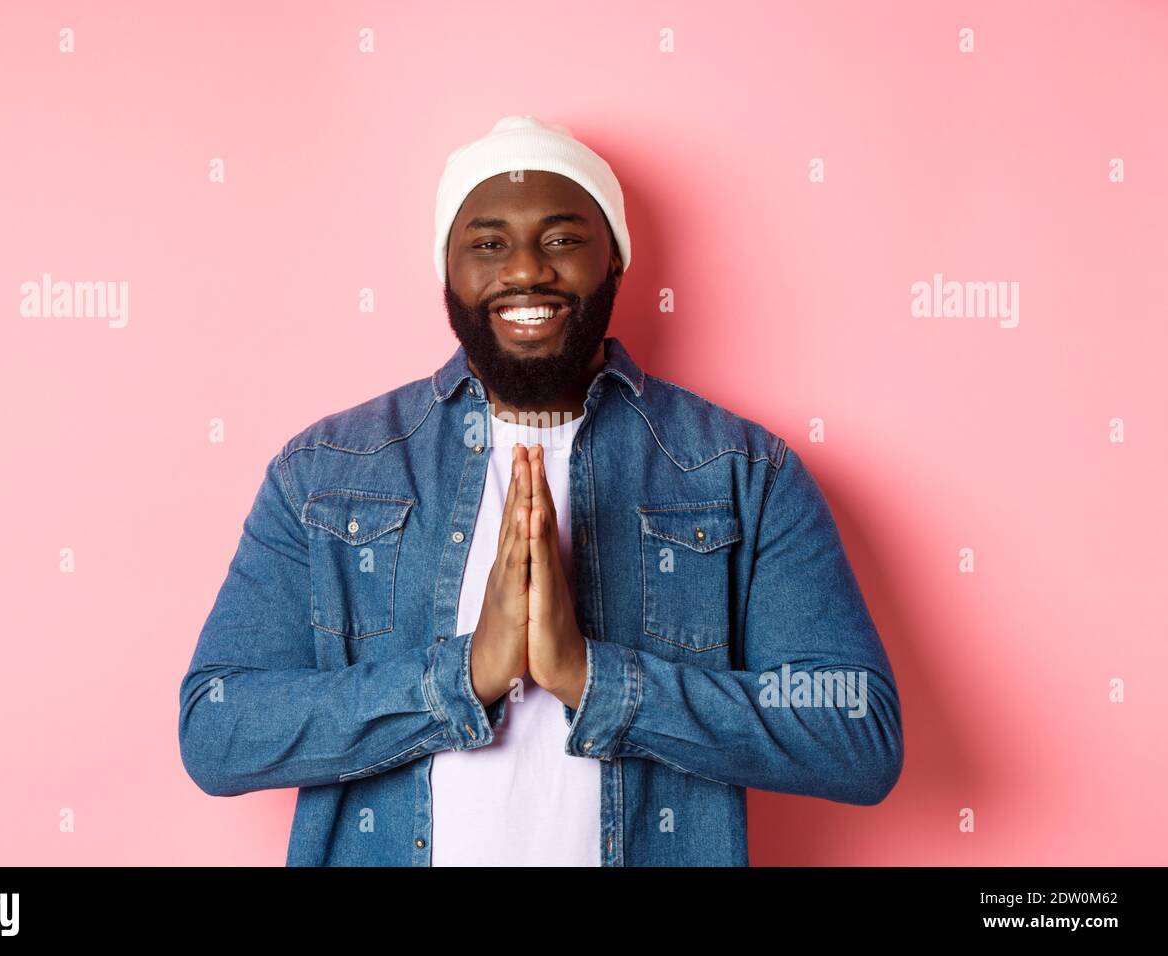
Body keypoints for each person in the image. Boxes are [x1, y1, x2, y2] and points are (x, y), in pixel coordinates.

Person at [177, 115, 903, 866]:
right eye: (488, 243)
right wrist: (460, 679)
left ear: (615, 260)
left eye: (561, 239)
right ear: (447, 271)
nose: (526, 270)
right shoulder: (327, 471)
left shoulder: (744, 471)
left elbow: (857, 728)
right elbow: (216, 729)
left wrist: (595, 679)